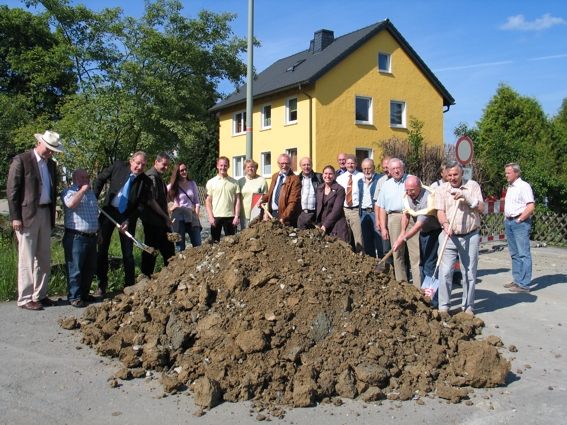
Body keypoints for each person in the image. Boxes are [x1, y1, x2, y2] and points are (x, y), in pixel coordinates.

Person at [7, 130, 63, 310]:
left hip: (46, 212)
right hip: (27, 215)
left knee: (44, 256)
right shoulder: (22, 160)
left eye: (53, 150)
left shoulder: (51, 165)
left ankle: (40, 294)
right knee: (27, 257)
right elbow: (12, 191)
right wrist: (15, 216)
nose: (51, 152)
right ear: (40, 144)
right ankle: (24, 298)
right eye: (48, 149)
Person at [94, 152, 161, 294]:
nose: (139, 167)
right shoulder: (118, 166)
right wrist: (93, 199)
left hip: (126, 217)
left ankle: (129, 286)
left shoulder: (145, 181)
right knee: (102, 249)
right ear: (131, 161)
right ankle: (101, 284)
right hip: (108, 212)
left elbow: (142, 206)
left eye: (143, 165)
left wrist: (129, 220)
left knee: (128, 252)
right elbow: (100, 179)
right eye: (137, 163)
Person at [434, 161, 484, 315]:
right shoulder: (441, 189)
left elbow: (481, 208)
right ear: (445, 175)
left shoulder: (472, 186)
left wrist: (466, 197)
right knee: (445, 272)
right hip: (449, 236)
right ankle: (444, 307)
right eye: (449, 175)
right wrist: (445, 224)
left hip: (470, 236)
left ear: (461, 173)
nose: (453, 178)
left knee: (469, 273)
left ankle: (468, 307)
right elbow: (440, 211)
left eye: (455, 174)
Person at [61, 169, 102, 307]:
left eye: (87, 177)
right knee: (75, 269)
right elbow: (71, 204)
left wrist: (99, 232)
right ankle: (74, 296)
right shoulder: (69, 192)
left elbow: (95, 214)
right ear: (74, 178)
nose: (85, 179)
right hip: (76, 237)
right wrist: (83, 190)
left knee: (90, 268)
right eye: (81, 177)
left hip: (91, 236)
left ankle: (84, 293)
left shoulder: (91, 195)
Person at [392, 176, 441, 288]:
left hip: (433, 232)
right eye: (407, 190)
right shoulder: (408, 196)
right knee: (421, 264)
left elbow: (419, 224)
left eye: (412, 190)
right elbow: (406, 213)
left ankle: (432, 300)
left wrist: (403, 239)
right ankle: (423, 293)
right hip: (422, 233)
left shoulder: (428, 198)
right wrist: (402, 232)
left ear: (419, 187)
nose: (409, 193)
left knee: (429, 265)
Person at [140, 153, 174, 277]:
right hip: (152, 221)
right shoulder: (152, 177)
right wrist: (165, 217)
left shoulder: (158, 177)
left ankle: (170, 276)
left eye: (168, 165)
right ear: (156, 162)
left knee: (168, 250)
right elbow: (151, 200)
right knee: (151, 250)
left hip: (160, 221)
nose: (166, 167)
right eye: (164, 164)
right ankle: (145, 276)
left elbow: (161, 199)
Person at [503, 163, 535, 293]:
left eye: (509, 173)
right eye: (506, 173)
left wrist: (520, 219)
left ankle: (524, 283)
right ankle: (517, 279)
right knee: (514, 253)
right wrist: (506, 217)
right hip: (509, 221)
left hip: (519, 223)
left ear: (516, 173)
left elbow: (531, 205)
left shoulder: (523, 186)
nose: (506, 175)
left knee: (523, 253)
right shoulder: (510, 187)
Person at [377, 158, 410, 282]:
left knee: (414, 254)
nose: (396, 171)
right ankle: (402, 282)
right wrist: (384, 227)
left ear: (403, 168)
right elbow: (382, 208)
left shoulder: (411, 180)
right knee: (397, 253)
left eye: (398, 168)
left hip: (410, 216)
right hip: (394, 218)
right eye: (393, 169)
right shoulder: (386, 185)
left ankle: (417, 286)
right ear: (389, 171)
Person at [257, 154, 301, 226]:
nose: (284, 165)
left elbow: (293, 202)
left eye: (287, 163)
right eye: (282, 163)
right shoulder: (275, 176)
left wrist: (283, 217)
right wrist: (262, 199)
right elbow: (271, 192)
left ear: (290, 164)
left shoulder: (295, 180)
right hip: (273, 214)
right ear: (278, 164)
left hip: (287, 217)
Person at [168, 162, 202, 251]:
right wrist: (170, 208)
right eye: (181, 170)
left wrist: (196, 216)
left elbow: (197, 202)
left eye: (185, 169)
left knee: (198, 245)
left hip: (191, 216)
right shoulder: (172, 186)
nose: (184, 172)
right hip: (179, 218)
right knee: (180, 247)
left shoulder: (192, 184)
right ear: (177, 172)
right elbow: (161, 200)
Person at [205, 157, 241, 242]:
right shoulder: (211, 182)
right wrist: (210, 216)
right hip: (216, 217)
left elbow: (238, 200)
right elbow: (208, 201)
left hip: (230, 217)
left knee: (231, 242)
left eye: (225, 165)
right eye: (221, 165)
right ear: (217, 166)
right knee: (215, 242)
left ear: (228, 166)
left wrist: (236, 216)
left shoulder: (234, 182)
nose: (223, 168)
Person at [336, 154, 365, 252]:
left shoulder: (361, 177)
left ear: (356, 164)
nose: (350, 165)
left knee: (358, 235)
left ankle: (361, 255)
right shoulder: (340, 178)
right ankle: (348, 256)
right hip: (344, 209)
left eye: (352, 163)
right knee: (345, 234)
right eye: (348, 163)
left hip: (355, 210)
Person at [316, 166, 350, 243]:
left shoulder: (340, 189)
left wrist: (325, 225)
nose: (327, 176)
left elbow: (336, 210)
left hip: (336, 225)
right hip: (322, 224)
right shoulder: (319, 188)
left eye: (330, 174)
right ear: (322, 175)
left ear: (334, 175)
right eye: (326, 173)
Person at [358, 158, 384, 258]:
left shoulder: (380, 179)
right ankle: (372, 263)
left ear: (373, 168)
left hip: (375, 212)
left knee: (379, 240)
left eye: (369, 168)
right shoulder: (360, 181)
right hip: (364, 213)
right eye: (364, 169)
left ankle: (382, 264)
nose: (366, 171)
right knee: (367, 241)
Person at [373, 156, 393, 263]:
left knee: (400, 249)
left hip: (398, 217)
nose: (386, 170)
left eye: (388, 167)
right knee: (386, 247)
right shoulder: (381, 181)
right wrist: (378, 220)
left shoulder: (404, 180)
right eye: (384, 167)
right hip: (384, 216)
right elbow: (377, 202)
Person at [238, 159, 268, 230]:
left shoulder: (262, 180)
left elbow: (266, 198)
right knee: (244, 235)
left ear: (255, 168)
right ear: (244, 169)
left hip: (257, 213)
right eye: (248, 167)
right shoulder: (240, 181)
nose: (250, 169)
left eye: (252, 167)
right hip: (244, 214)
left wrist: (265, 215)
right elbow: (237, 198)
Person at [297, 157, 323, 229]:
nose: (306, 167)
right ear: (300, 166)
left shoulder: (319, 177)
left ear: (312, 165)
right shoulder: (297, 179)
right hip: (301, 214)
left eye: (308, 164)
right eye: (304, 165)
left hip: (315, 214)